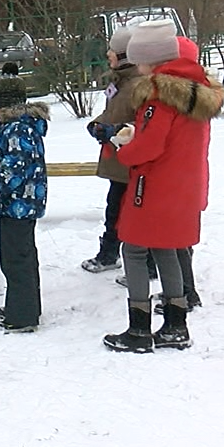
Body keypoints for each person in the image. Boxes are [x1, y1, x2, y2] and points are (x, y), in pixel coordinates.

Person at [102, 19, 224, 353]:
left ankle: (139, 329)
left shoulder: (158, 95)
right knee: (166, 247)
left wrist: (121, 146)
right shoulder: (193, 90)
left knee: (135, 249)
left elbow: (150, 146)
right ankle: (175, 324)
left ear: (150, 59)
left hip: (154, 185)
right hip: (182, 183)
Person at [0, 75, 48, 333]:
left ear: (6, 105)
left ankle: (23, 315)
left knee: (16, 259)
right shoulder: (14, 125)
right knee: (22, 256)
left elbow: (14, 171)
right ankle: (25, 305)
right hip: (19, 202)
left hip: (20, 203)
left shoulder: (17, 128)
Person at [80, 27, 139, 274]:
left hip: (132, 162)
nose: (107, 54)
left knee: (129, 213)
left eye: (112, 50)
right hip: (118, 160)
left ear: (123, 55)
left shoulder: (138, 84)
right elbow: (113, 112)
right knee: (113, 209)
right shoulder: (120, 81)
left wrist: (116, 131)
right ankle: (109, 253)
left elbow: (143, 124)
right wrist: (98, 123)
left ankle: (144, 264)